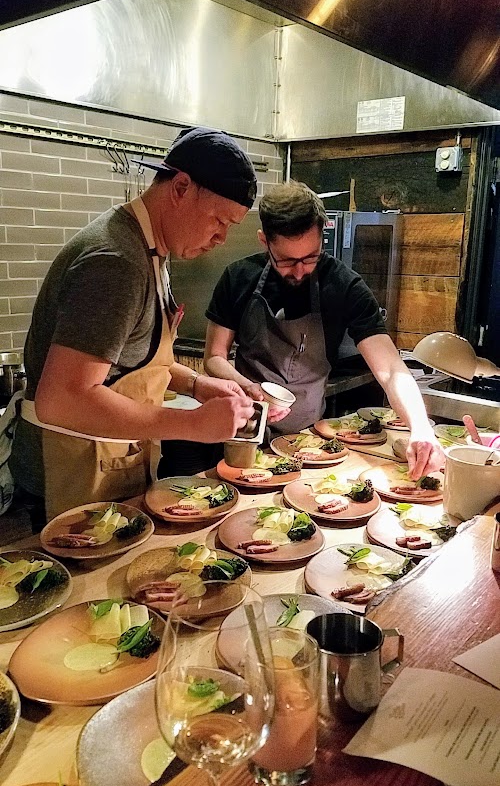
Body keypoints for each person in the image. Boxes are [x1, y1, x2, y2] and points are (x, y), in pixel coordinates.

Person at [9, 126, 257, 522]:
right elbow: (64, 398)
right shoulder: (116, 262)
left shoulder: (152, 249)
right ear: (180, 188)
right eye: (219, 220)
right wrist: (192, 424)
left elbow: (132, 361)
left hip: (107, 463)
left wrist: (197, 384)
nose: (221, 239)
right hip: (66, 479)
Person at [203, 180, 443, 478]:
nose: (301, 270)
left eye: (311, 256)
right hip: (242, 430)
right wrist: (245, 386)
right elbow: (213, 357)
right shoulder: (237, 277)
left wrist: (420, 426)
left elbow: (391, 368)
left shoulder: (344, 286)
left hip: (306, 441)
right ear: (264, 241)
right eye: (288, 260)